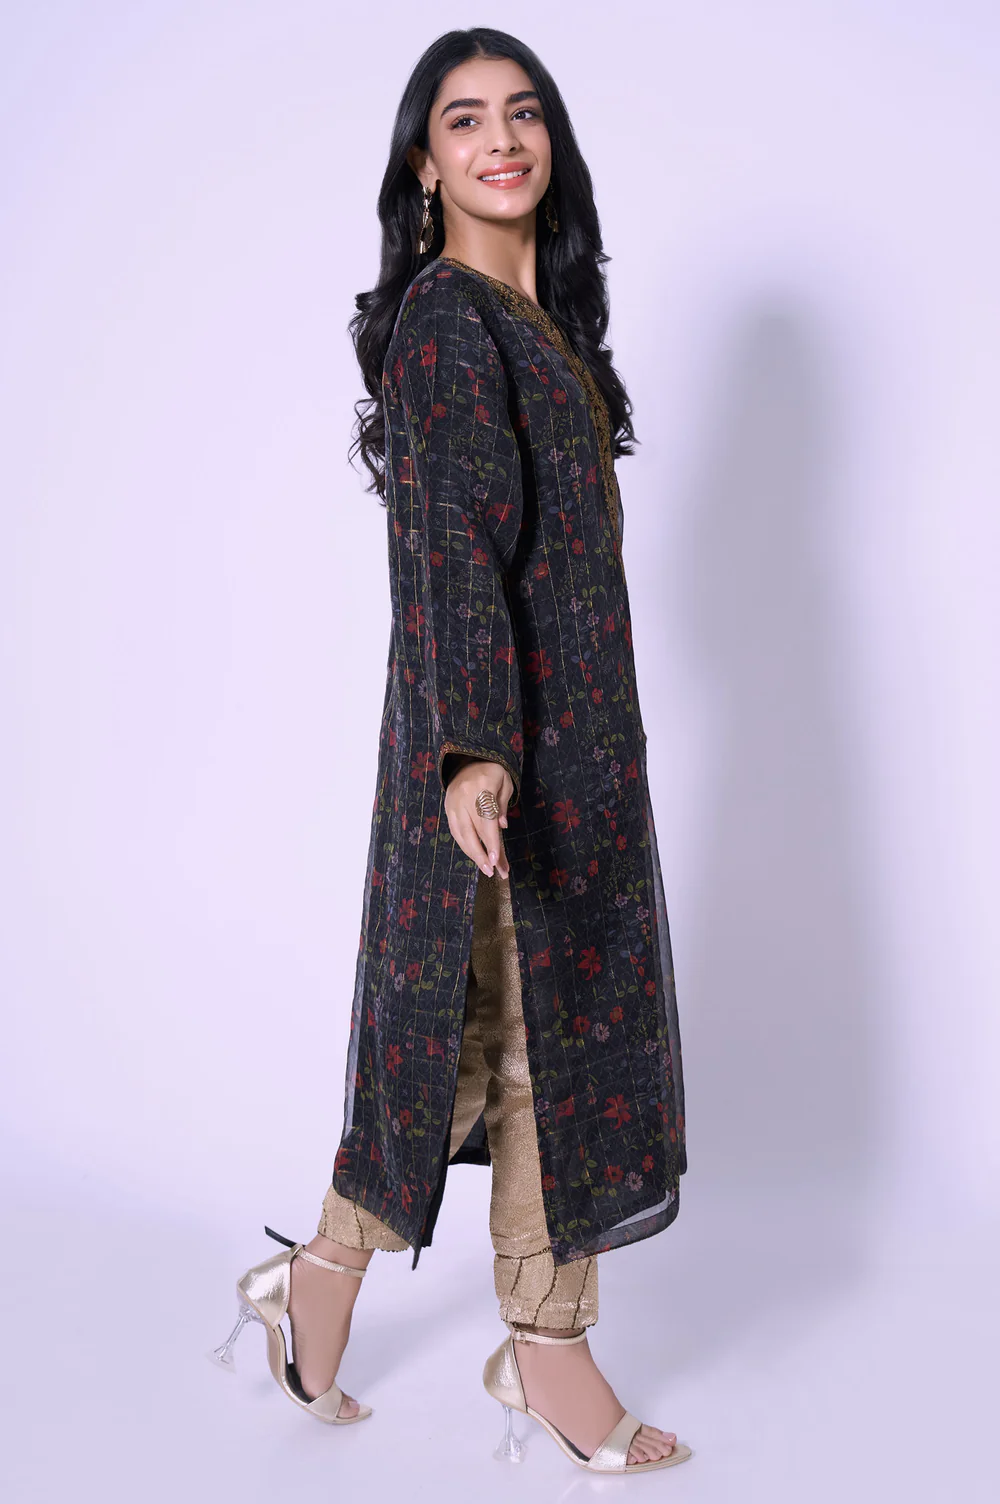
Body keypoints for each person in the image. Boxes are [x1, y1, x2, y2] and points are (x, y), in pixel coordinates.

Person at [211, 27, 690, 1474]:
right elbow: (451, 551)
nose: (501, 139)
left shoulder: (544, 330)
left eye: (523, 113)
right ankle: (547, 1348)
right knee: (522, 1045)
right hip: (496, 748)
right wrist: (475, 750)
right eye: (465, 119)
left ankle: (321, 1280)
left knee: (487, 1041)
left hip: (583, 755)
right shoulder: (445, 324)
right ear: (424, 163)